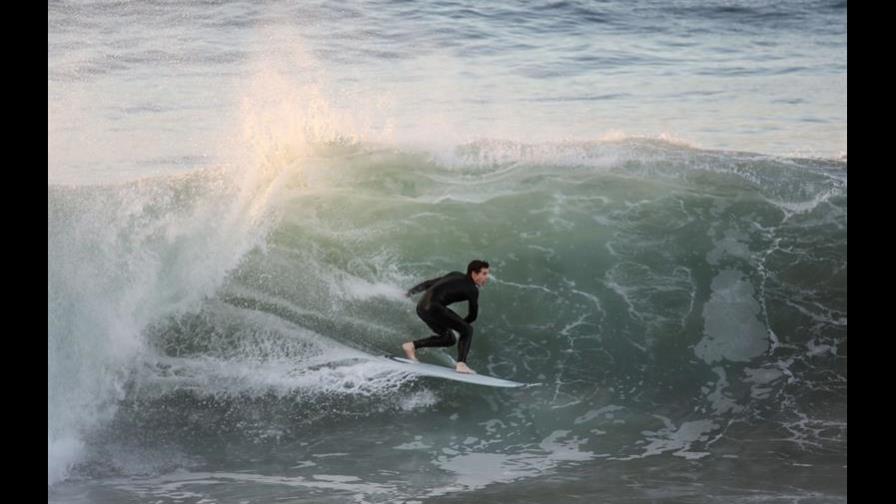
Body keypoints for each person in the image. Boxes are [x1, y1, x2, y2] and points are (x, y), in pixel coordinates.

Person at [402, 260, 490, 374]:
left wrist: (408, 293)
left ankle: (411, 346)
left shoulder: (455, 274)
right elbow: (473, 316)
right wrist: (460, 327)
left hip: (421, 308)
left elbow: (429, 283)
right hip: (434, 308)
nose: (487, 277)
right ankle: (461, 364)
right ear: (474, 273)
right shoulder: (472, 290)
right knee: (468, 330)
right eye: (484, 274)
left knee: (449, 339)